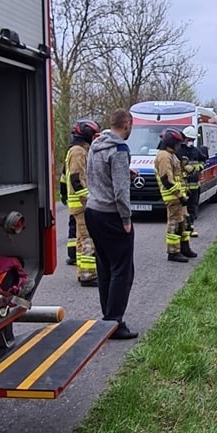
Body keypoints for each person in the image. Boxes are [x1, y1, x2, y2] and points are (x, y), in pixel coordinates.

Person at [84, 109, 138, 340]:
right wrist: (125, 219)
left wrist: (124, 172)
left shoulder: (96, 145)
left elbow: (95, 175)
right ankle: (115, 322)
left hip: (93, 210)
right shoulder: (119, 149)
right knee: (122, 270)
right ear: (127, 124)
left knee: (105, 267)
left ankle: (107, 316)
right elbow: (120, 191)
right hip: (111, 215)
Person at [65, 119, 100, 285]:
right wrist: (89, 200)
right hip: (82, 204)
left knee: (81, 238)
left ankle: (83, 272)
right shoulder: (79, 152)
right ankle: (88, 275)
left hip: (78, 203)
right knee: (87, 239)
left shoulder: (78, 150)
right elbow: (76, 179)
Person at [155, 129, 197, 263]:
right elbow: (167, 179)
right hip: (172, 197)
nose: (179, 146)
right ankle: (173, 252)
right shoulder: (164, 156)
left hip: (178, 195)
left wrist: (185, 191)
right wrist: (180, 195)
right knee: (174, 224)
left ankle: (184, 248)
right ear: (171, 142)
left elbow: (177, 176)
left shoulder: (171, 154)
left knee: (183, 223)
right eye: (177, 143)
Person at [177, 125, 208, 236]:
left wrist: (198, 167)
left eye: (192, 140)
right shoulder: (178, 151)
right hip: (182, 185)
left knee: (193, 207)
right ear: (184, 138)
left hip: (194, 185)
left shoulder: (196, 151)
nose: (190, 141)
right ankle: (182, 229)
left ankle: (190, 228)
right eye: (189, 139)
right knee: (181, 209)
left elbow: (204, 160)